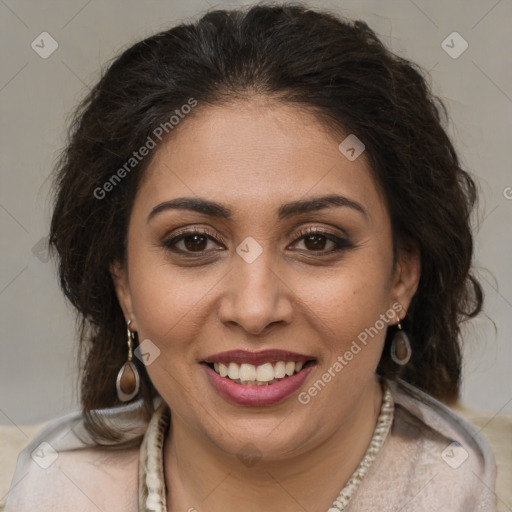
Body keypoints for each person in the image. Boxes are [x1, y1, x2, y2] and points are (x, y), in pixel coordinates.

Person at [4, 3, 497, 511]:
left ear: (401, 277)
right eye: (194, 242)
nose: (255, 309)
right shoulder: (52, 492)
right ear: (124, 284)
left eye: (316, 241)